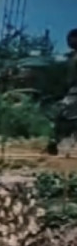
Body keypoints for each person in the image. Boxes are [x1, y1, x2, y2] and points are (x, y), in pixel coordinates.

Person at [46, 28, 77, 156]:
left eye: (72, 39)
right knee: (64, 117)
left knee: (62, 115)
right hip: (71, 91)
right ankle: (57, 142)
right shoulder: (70, 57)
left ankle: (54, 142)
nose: (69, 42)